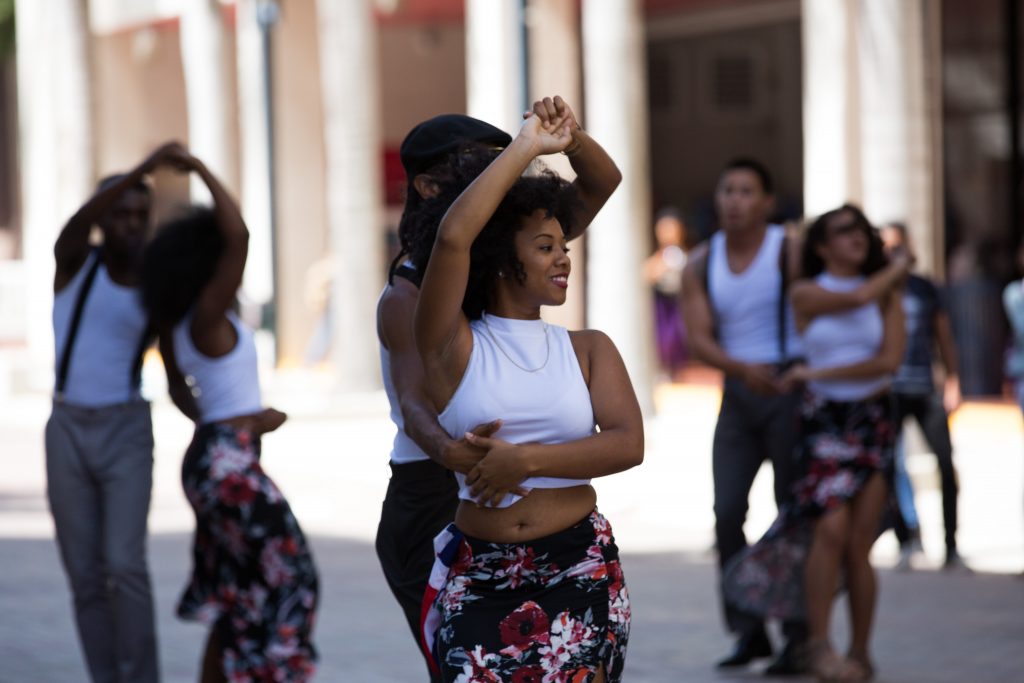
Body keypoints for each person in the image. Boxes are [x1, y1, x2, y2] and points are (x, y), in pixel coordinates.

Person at [376, 98, 622, 681]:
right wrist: (448, 449)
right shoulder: (410, 293)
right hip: (434, 486)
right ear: (433, 185)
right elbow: (415, 402)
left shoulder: (519, 248)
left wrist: (565, 138)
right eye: (482, 168)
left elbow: (604, 182)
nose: (504, 179)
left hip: (548, 522)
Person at [140, 145, 318, 682]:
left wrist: (232, 423)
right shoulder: (207, 314)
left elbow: (182, 392)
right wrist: (195, 169)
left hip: (213, 459)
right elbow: (239, 235)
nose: (230, 262)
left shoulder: (176, 326)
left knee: (235, 595)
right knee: (292, 576)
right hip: (228, 465)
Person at [725, 204, 909, 682]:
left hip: (871, 422)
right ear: (822, 246)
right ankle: (818, 647)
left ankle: (861, 651)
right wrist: (895, 272)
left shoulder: (886, 292)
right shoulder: (809, 292)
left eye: (861, 231)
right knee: (827, 532)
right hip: (823, 423)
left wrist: (814, 372)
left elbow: (888, 362)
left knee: (859, 546)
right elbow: (859, 297)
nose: (856, 238)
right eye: (843, 232)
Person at [46, 142, 191, 683]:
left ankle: (141, 676)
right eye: (120, 213)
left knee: (124, 566)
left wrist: (219, 427)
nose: (131, 224)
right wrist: (144, 168)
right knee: (84, 574)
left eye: (140, 214)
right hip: (66, 427)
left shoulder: (156, 288)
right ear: (103, 217)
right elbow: (74, 227)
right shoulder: (75, 264)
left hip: (126, 427)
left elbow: (177, 376)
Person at [680, 158, 807, 674]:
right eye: (727, 190)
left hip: (788, 388)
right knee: (727, 511)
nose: (734, 199)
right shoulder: (700, 262)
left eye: (746, 191)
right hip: (738, 393)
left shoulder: (789, 250)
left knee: (793, 513)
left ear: (767, 202)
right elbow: (698, 338)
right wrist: (741, 368)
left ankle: (801, 633)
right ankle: (748, 631)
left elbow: (820, 309)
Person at [879, 222, 966, 571]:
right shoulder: (874, 291)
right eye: (885, 249)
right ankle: (907, 537)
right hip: (889, 391)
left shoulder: (926, 289)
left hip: (924, 387)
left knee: (945, 464)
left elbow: (944, 336)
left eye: (897, 248)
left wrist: (953, 380)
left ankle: (951, 545)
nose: (892, 256)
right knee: (888, 468)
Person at [644, 207, 689, 381]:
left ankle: (677, 372)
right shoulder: (658, 257)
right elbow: (647, 273)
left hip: (679, 303)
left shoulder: (683, 254)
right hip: (662, 304)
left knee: (679, 339)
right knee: (662, 340)